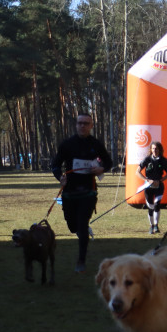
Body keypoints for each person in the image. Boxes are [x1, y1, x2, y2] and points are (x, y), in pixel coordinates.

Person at [51, 113, 114, 273]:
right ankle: (82, 231)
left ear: (91, 126)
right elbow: (55, 164)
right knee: (72, 226)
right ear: (76, 125)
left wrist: (101, 168)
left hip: (88, 192)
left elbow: (108, 162)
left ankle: (81, 261)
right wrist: (60, 177)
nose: (82, 126)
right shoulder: (67, 144)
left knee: (82, 224)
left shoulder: (95, 144)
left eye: (86, 123)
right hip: (69, 192)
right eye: (80, 123)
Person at [136, 141, 167, 234]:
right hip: (148, 187)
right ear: (151, 149)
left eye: (156, 149)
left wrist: (160, 180)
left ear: (160, 150)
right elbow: (137, 172)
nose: (155, 150)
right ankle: (151, 226)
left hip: (159, 186)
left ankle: (156, 225)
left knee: (157, 204)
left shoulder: (163, 160)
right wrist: (147, 180)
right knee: (150, 206)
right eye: (153, 148)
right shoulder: (147, 159)